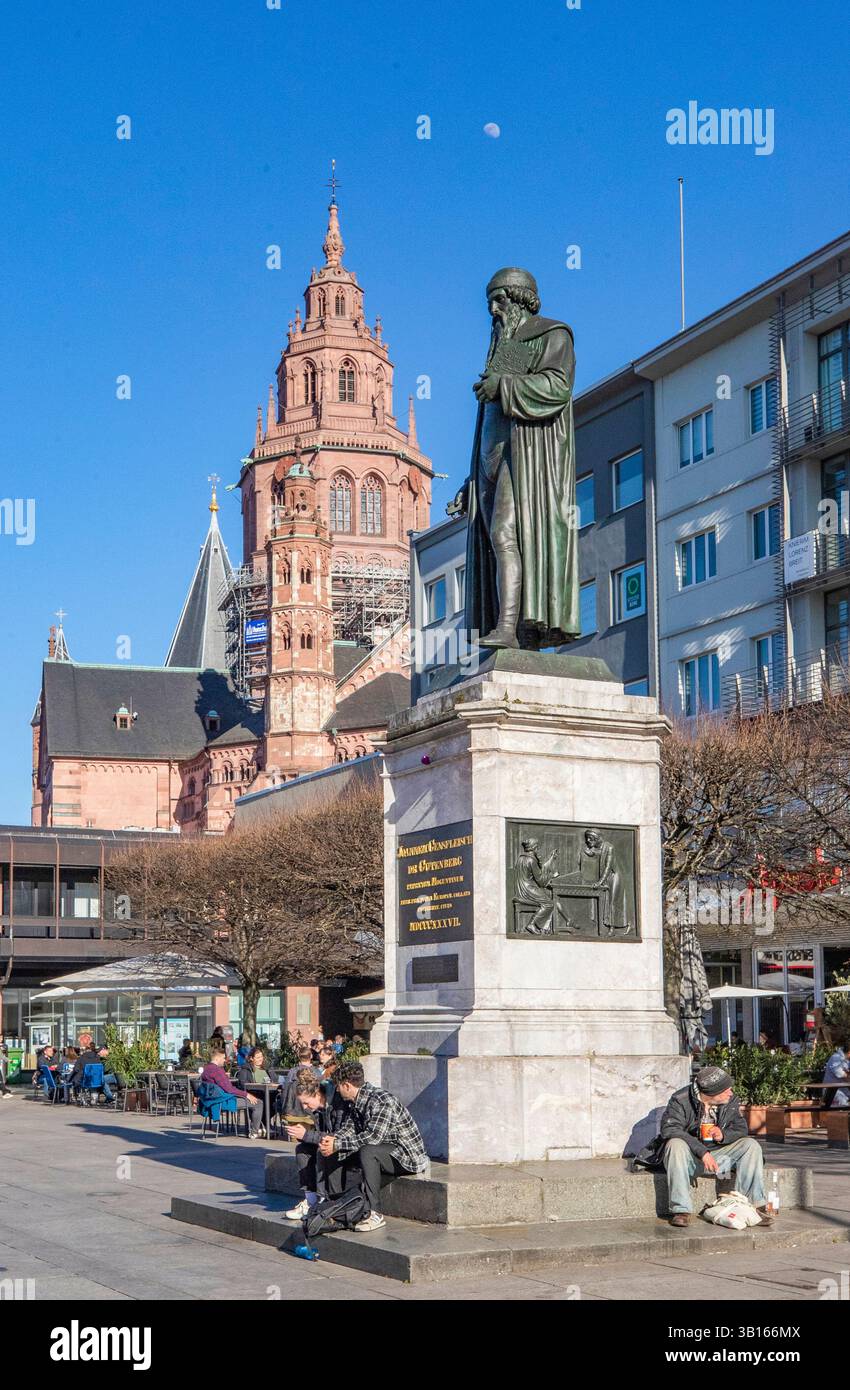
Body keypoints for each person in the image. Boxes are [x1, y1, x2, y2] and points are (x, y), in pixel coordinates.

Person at [637, 1065, 772, 1228]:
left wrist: (723, 1135)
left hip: (720, 1156)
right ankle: (681, 1210)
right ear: (713, 1092)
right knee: (675, 1144)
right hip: (689, 1159)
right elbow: (670, 1129)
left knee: (751, 1145)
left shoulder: (730, 1100)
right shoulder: (680, 1099)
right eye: (726, 1089)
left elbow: (741, 1128)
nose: (731, 1092)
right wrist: (702, 1152)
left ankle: (754, 1206)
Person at [317, 1061, 429, 1232]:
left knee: (368, 1151)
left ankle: (374, 1212)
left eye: (338, 1086)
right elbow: (349, 1128)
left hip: (405, 1155)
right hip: (381, 1150)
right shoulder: (355, 1101)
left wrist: (338, 1143)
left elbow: (373, 1137)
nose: (337, 1090)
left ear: (347, 1085)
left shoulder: (382, 1100)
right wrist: (333, 1141)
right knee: (331, 1150)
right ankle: (336, 1206)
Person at [283, 1071, 353, 1219]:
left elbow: (337, 1136)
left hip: (346, 1144)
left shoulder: (337, 1102)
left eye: (307, 1102)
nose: (306, 1107)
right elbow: (321, 1134)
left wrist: (306, 1135)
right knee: (302, 1149)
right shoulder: (318, 1110)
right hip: (332, 1141)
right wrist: (303, 1136)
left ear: (318, 1095)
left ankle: (325, 1200)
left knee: (324, 1149)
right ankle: (310, 1201)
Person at [201, 1044, 265, 1138]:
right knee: (258, 1102)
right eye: (223, 1058)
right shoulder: (217, 1071)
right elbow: (229, 1089)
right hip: (223, 1101)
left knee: (253, 1100)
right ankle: (254, 1132)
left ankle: (258, 1128)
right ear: (217, 1058)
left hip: (210, 1101)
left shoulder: (206, 1070)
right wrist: (246, 1094)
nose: (224, 1060)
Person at [822, 1039, 850, 1107]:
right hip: (833, 1093)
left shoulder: (847, 1060)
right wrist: (847, 1075)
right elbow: (841, 1074)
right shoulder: (836, 1058)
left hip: (844, 1091)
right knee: (843, 1107)